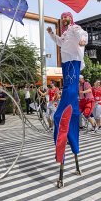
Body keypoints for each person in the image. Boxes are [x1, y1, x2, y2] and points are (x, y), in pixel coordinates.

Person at [47, 12, 88, 165]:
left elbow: (82, 34)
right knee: (67, 87)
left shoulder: (74, 27)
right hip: (66, 63)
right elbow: (60, 42)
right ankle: (67, 110)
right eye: (63, 17)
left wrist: (83, 41)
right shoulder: (64, 34)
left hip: (73, 61)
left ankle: (65, 111)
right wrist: (52, 34)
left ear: (69, 19)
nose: (64, 20)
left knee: (70, 88)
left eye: (66, 17)